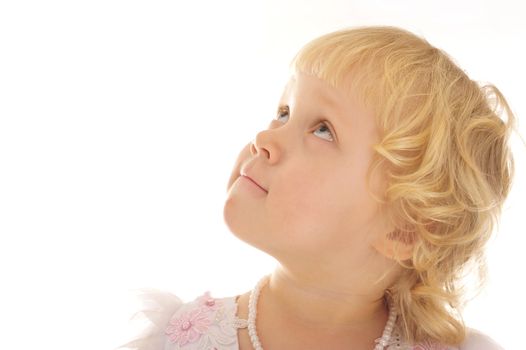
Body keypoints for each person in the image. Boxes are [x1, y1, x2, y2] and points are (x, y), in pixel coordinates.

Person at [116, 25, 516, 350]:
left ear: (405, 229)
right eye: (283, 113)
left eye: (323, 129)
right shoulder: (174, 341)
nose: (264, 137)